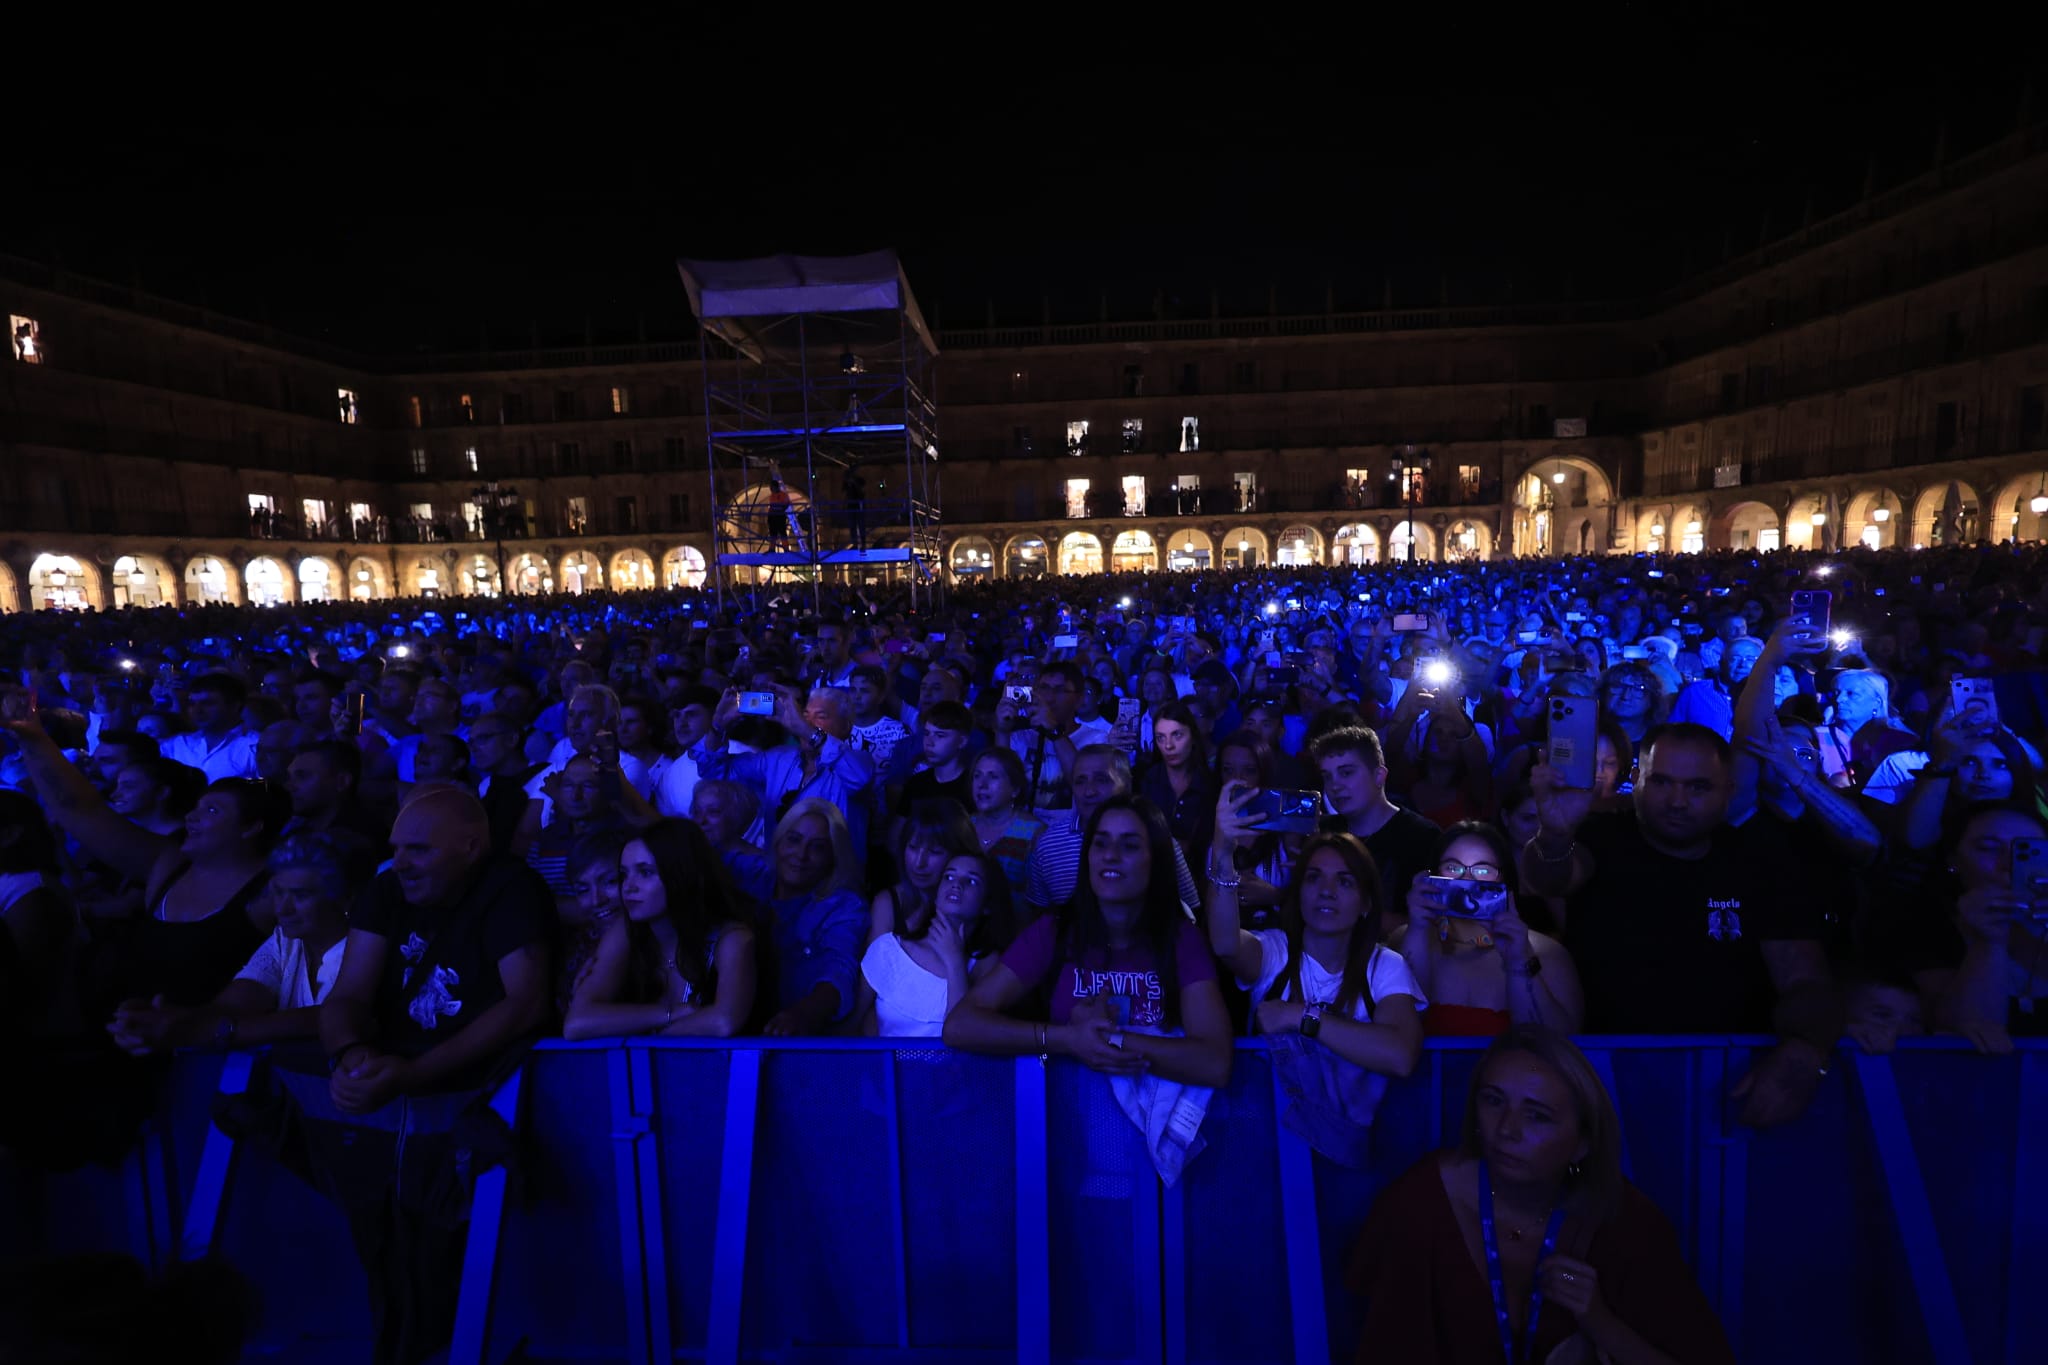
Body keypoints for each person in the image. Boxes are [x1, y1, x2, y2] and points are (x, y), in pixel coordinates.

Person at [314, 787, 554, 1365]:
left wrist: (414, 1072)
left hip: (471, 1102)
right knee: (386, 1252)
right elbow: (347, 993)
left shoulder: (511, 888)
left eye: (418, 850)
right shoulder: (385, 888)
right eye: (397, 847)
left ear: (470, 847)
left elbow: (525, 1004)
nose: (400, 861)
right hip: (395, 1100)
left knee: (449, 1256)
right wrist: (348, 1055)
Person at [1518, 723, 1842, 1126]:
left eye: (1698, 787)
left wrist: (1805, 1050)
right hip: (1603, 1079)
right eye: (1661, 782)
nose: (1676, 801)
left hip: (1731, 1083)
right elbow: (1549, 878)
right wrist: (1553, 834)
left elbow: (1804, 977)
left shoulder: (1761, 860)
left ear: (1728, 790)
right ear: (1635, 781)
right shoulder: (1599, 837)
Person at [1348, 1028, 1734, 1364]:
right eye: (1493, 1100)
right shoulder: (1420, 1202)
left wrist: (1600, 1323)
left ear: (1582, 1142)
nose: (1507, 1130)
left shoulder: (1625, 1221)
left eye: (1537, 1115)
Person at [946, 796, 1232, 1091]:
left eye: (1129, 845)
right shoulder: (1054, 931)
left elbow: (1214, 1062)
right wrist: (1067, 1039)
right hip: (1068, 1121)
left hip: (1152, 1127)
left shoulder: (1181, 939)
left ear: (1156, 860)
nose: (1110, 855)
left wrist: (1111, 1039)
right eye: (1101, 843)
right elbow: (960, 1025)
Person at [1205, 788, 1424, 1162]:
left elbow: (1400, 1054)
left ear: (1366, 903)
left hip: (1352, 1154)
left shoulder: (1385, 966)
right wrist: (1223, 854)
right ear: (1299, 891)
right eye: (1314, 878)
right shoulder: (1274, 951)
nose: (1326, 891)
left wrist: (1300, 1016)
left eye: (1344, 882)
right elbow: (1226, 945)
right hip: (1268, 1147)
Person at [107, 831, 357, 1055]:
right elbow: (238, 1002)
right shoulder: (285, 940)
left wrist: (206, 1031)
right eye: (278, 893)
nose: (283, 908)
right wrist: (162, 1020)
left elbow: (335, 1015)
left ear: (344, 899)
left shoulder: (367, 945)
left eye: (301, 895)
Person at [563, 819, 757, 1039]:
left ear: (682, 874)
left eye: (645, 872)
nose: (629, 886)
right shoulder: (626, 930)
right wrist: (671, 1014)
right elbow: (577, 1023)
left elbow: (724, 1022)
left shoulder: (732, 938)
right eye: (623, 875)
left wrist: (653, 1039)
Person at [1397, 822, 1583, 1036]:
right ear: (1434, 874)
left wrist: (1519, 962)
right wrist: (1418, 930)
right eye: (1453, 868)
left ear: (1505, 879)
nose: (1466, 880)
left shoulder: (1547, 953)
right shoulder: (1408, 938)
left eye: (1483, 870)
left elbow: (1560, 1045)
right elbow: (1398, 1030)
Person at [722, 796, 867, 1036]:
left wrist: (805, 1013)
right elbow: (693, 857)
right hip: (734, 1028)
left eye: (818, 847)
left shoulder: (844, 906)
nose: (801, 854)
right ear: (778, 842)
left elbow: (839, 969)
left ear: (834, 856)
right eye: (794, 840)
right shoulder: (753, 875)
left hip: (800, 1039)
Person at [1023, 744, 1201, 916]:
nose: (1089, 791)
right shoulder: (1048, 844)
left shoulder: (1157, 839)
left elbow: (1190, 909)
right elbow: (1039, 914)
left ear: (1127, 785)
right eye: (1080, 781)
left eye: (1101, 780)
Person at [860, 850, 1017, 1036]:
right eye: (949, 877)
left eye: (972, 881)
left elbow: (962, 1039)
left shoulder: (986, 964)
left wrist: (955, 962)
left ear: (987, 905)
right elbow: (856, 1022)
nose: (956, 885)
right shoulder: (889, 948)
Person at [1313, 726, 1442, 918]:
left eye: (1346, 773)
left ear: (1379, 776)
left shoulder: (1423, 837)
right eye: (1327, 776)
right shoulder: (1324, 832)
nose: (1335, 785)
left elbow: (1431, 922)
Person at [871, 798, 978, 941]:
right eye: (913, 847)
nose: (919, 863)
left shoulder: (974, 907)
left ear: (959, 853)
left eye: (934, 851)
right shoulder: (887, 903)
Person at [967, 747, 1045, 901]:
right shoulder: (965, 825)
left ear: (1015, 789)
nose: (982, 784)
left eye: (993, 776)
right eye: (977, 776)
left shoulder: (1034, 834)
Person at [161, 672, 260, 782]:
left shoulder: (255, 745)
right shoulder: (177, 744)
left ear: (235, 706)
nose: (197, 710)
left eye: (208, 703)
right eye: (192, 703)